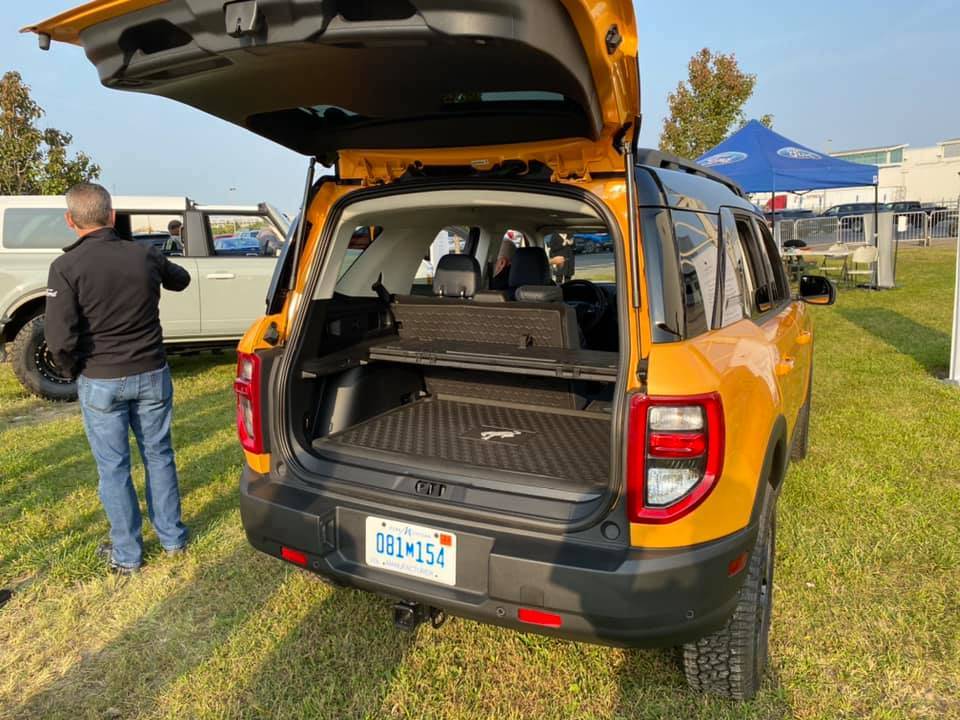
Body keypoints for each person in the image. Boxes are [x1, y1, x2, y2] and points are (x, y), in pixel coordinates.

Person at [45, 183, 192, 574]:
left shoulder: (66, 267)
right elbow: (181, 280)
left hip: (101, 379)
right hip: (151, 373)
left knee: (114, 467)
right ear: (112, 215)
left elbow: (59, 337)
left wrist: (70, 370)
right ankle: (172, 538)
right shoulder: (143, 253)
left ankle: (127, 555)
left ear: (70, 221)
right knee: (159, 456)